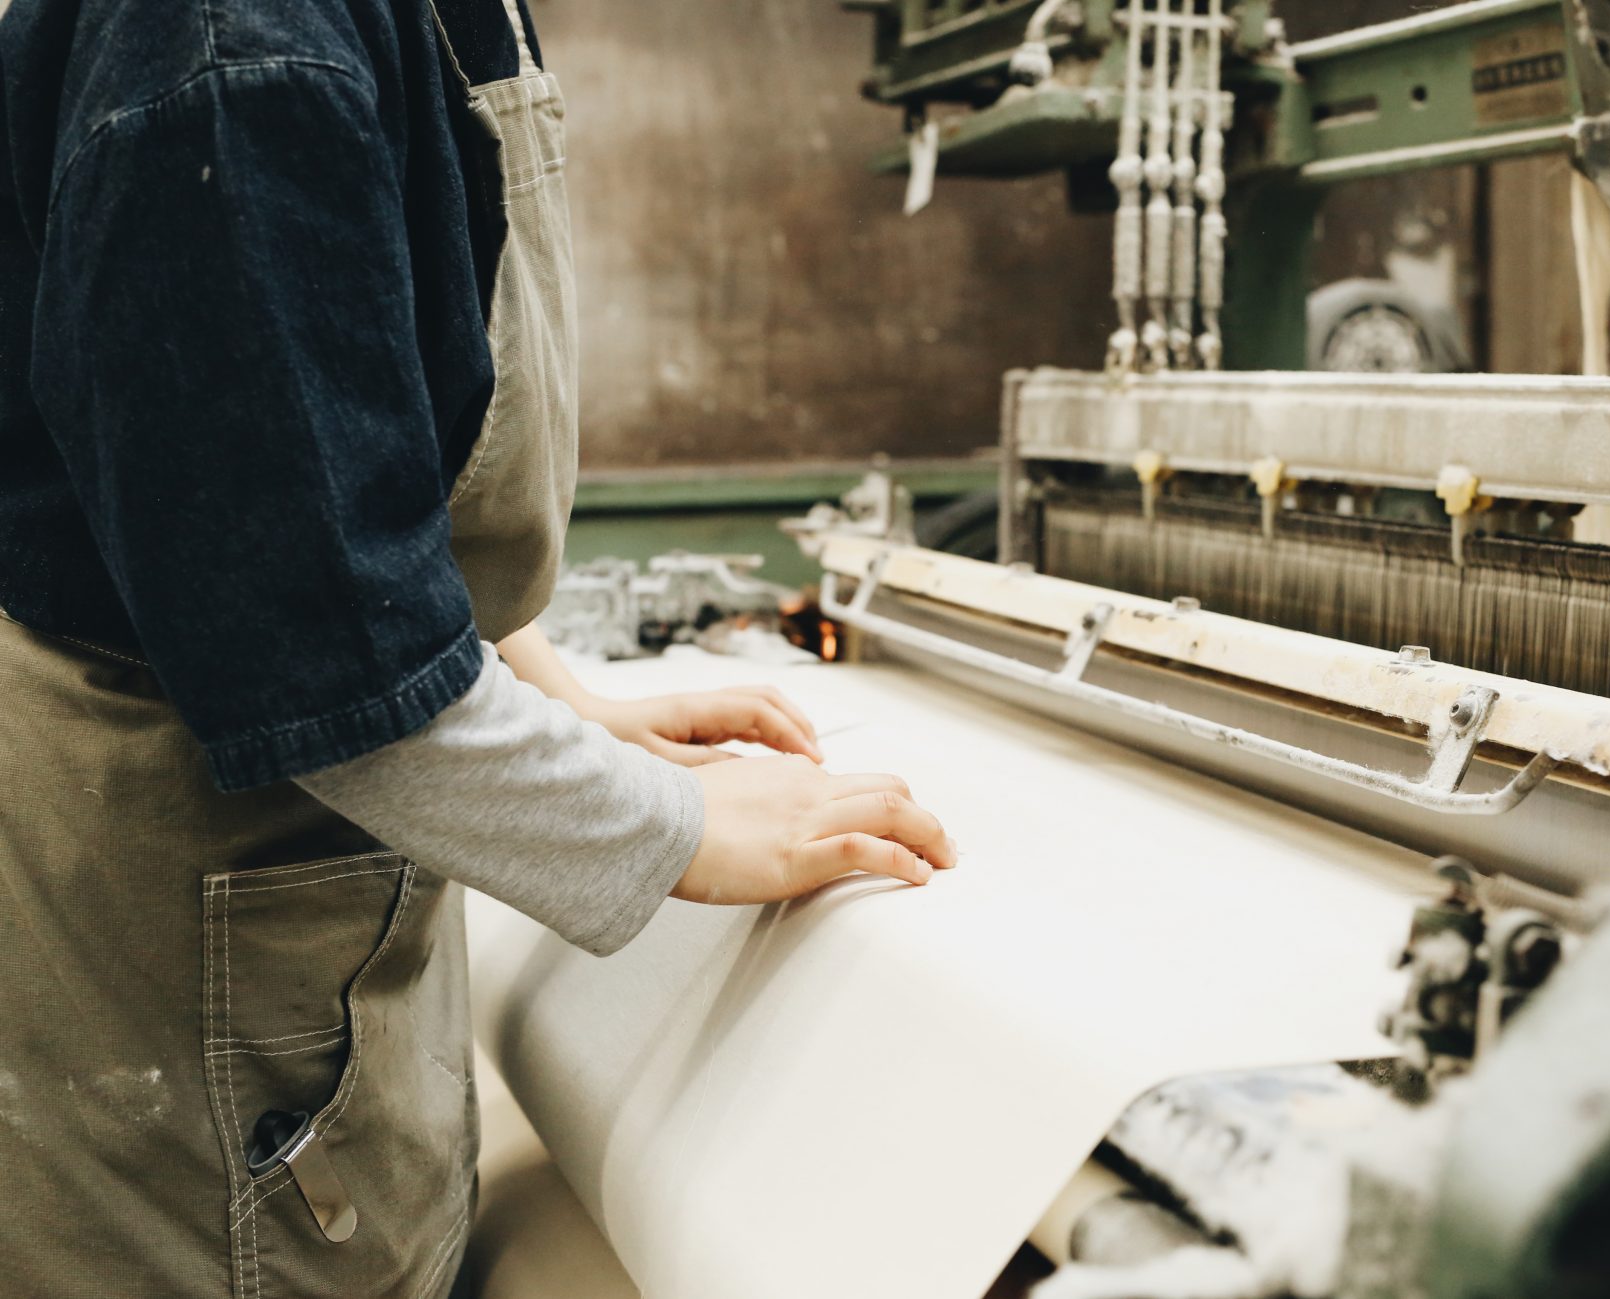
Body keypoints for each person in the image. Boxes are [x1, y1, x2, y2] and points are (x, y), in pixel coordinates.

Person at [0, 1, 954, 1295]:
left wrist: (561, 704)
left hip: (310, 890)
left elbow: (345, 463)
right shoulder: (225, 43)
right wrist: (668, 830)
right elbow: (312, 644)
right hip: (175, 925)